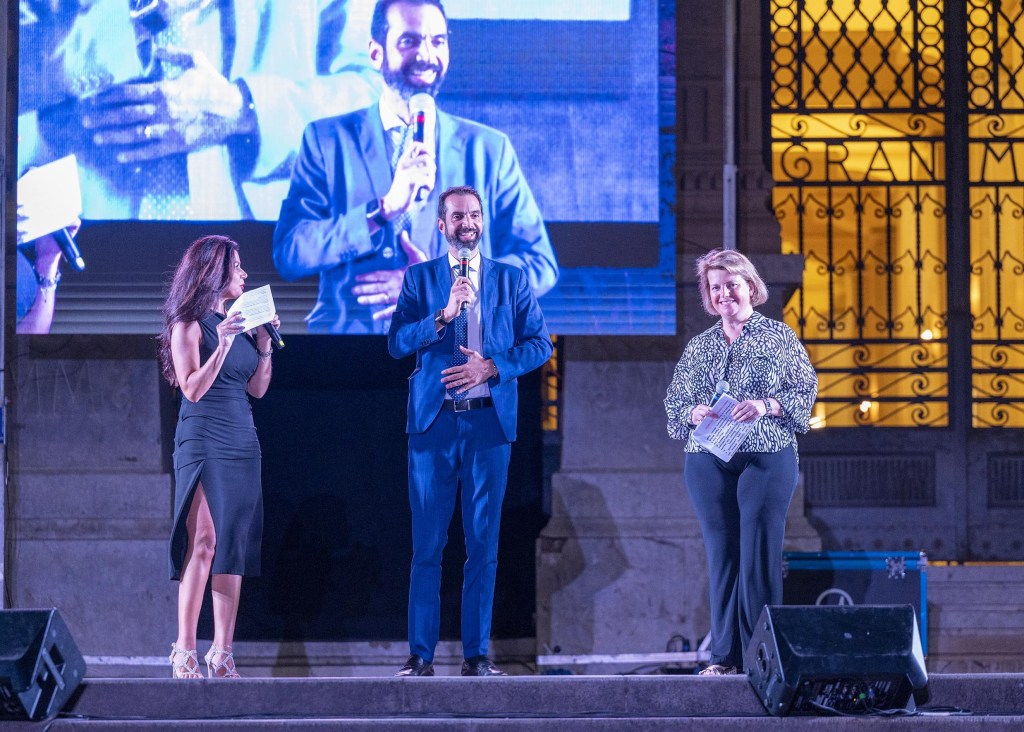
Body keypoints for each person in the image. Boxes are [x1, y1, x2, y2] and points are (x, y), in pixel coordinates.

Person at [274, 0, 558, 334]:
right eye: (409, 40)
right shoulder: (326, 140)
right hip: (345, 350)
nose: (426, 54)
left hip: (455, 350)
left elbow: (540, 264)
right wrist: (381, 210)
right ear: (376, 52)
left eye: (438, 41)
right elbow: (291, 254)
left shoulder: (489, 150)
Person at [387, 185, 552, 676]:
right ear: (441, 225)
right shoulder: (419, 278)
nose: (467, 224)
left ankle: (476, 655)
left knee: (483, 545)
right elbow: (397, 342)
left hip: (487, 423)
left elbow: (539, 344)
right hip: (433, 424)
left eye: (474, 215)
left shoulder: (511, 279)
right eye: (458, 216)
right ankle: (421, 655)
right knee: (427, 546)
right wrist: (442, 316)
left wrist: (492, 367)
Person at [18, 0, 382, 220]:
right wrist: (145, 15)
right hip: (78, 236)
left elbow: (373, 107)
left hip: (256, 243)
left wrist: (245, 109)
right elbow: (15, 71)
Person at [663, 248, 817, 676]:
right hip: (709, 457)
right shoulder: (700, 346)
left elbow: (804, 390)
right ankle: (724, 659)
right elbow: (675, 403)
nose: (724, 294)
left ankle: (760, 659)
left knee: (758, 554)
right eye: (715, 288)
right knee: (723, 555)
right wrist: (692, 412)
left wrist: (766, 405)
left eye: (731, 285)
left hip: (766, 453)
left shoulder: (778, 336)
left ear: (750, 286)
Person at [157, 235, 281, 678]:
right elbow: (191, 388)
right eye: (237, 266)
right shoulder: (188, 325)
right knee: (204, 542)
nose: (244, 273)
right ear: (214, 271)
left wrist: (263, 343)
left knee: (233, 545)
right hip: (203, 438)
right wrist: (225, 343)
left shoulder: (237, 324)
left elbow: (257, 389)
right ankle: (185, 649)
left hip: (242, 440)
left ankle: (222, 652)